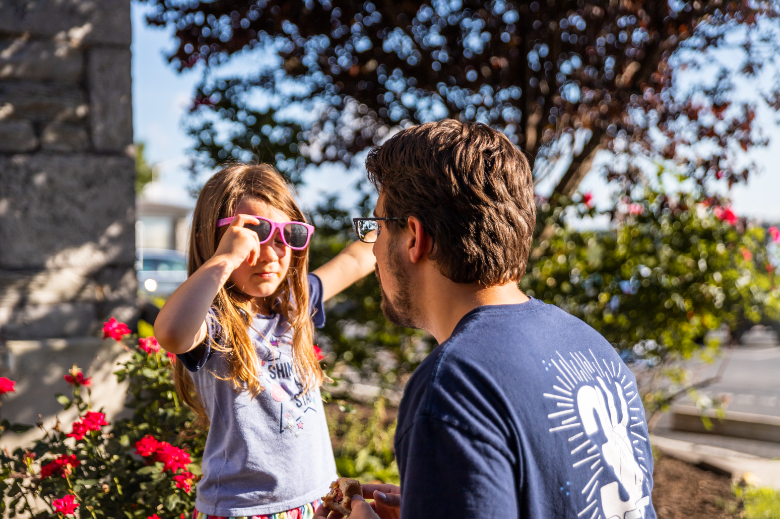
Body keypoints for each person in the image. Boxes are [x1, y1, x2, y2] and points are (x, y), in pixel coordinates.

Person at [315, 120, 656, 519]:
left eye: (378, 226)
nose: (372, 252)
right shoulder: (594, 348)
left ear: (413, 237)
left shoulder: (454, 386)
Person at [155, 164, 376, 519]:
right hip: (244, 510)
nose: (271, 253)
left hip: (317, 500)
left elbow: (356, 258)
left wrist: (395, 216)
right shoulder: (215, 321)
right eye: (253, 236)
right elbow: (171, 333)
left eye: (287, 235)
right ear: (215, 240)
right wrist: (226, 258)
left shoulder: (297, 304)